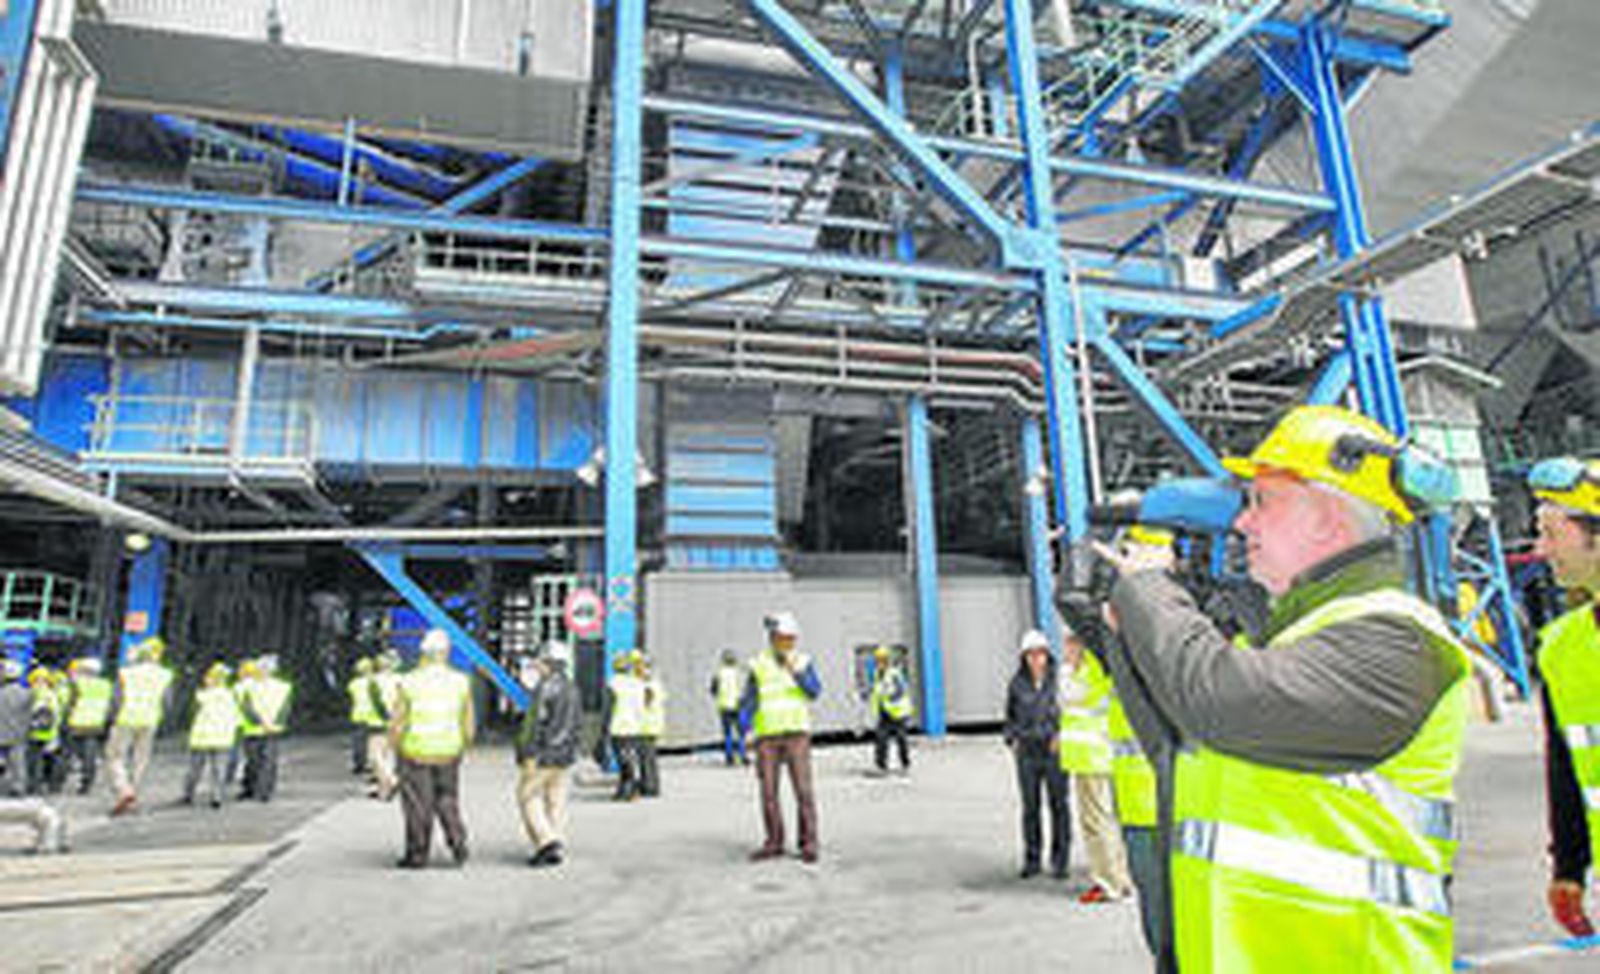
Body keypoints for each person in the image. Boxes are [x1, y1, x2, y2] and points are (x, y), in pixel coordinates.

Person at [1095, 405, 1472, 973]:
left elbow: (1212, 703)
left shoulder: (1400, 642)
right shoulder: (1284, 642)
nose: (1242, 523)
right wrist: (1115, 629)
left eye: (1261, 502)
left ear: (1326, 518)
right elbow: (1182, 751)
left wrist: (1150, 590)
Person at [1524, 456, 1600, 937]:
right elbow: (1568, 761)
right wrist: (1569, 868)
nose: (1540, 548)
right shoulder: (1561, 644)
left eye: (1553, 533)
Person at [1056, 625, 1131, 903]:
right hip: (1094, 753)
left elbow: (1068, 697)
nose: (1065, 649)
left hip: (1090, 755)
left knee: (1095, 822)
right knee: (1106, 820)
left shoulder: (1086, 670)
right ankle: (1120, 878)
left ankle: (1107, 883)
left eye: (1069, 642)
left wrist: (1066, 669)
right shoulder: (1094, 667)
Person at [741, 611, 822, 863]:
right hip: (767, 737)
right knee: (768, 792)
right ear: (772, 638)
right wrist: (745, 730)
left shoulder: (803, 661)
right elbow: (749, 700)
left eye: (789, 639)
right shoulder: (758, 664)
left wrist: (795, 671)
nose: (784, 644)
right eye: (780, 638)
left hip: (796, 734)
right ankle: (774, 842)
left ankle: (808, 843)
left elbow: (814, 691)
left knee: (804, 791)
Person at [390, 628, 473, 869]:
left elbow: (398, 721)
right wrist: (462, 746)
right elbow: (468, 722)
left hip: (415, 751)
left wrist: (393, 747)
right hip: (448, 752)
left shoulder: (408, 681)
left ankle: (417, 855)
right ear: (446, 653)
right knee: (447, 799)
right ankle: (457, 843)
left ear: (422, 653)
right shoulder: (461, 681)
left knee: (418, 804)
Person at [1004, 629, 1069, 880]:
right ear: (1024, 657)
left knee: (1058, 806)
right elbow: (1009, 716)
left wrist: (1061, 735)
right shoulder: (1017, 683)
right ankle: (1032, 859)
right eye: (1030, 655)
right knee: (1030, 807)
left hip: (1054, 752)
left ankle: (1060, 861)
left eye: (1040, 654)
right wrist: (1012, 739)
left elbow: (1070, 711)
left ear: (1046, 655)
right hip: (1027, 753)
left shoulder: (1060, 680)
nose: (1036, 659)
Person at [515, 639, 581, 868]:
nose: (537, 666)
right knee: (556, 799)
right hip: (565, 755)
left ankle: (546, 842)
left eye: (540, 661)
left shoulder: (544, 688)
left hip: (543, 754)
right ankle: (557, 842)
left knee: (527, 797)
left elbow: (534, 725)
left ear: (549, 663)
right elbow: (576, 725)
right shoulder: (572, 688)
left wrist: (527, 754)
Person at [107, 637, 174, 816]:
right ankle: (134, 793)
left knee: (116, 757)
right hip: (150, 720)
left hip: (126, 718)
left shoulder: (126, 673)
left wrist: (112, 717)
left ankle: (124, 790)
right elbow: (167, 702)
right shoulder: (165, 675)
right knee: (141, 759)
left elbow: (116, 699)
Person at [183, 663, 242, 808]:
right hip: (223, 737)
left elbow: (192, 714)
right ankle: (216, 796)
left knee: (195, 768)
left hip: (202, 737)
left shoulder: (201, 695)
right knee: (219, 768)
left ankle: (189, 793)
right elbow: (236, 717)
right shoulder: (232, 696)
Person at [238, 654, 292, 802]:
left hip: (271, 730)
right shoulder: (248, 685)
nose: (263, 671)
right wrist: (260, 722)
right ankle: (251, 787)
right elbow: (245, 706)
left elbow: (285, 708)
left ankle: (265, 792)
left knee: (269, 761)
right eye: (261, 668)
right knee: (253, 762)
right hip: (253, 729)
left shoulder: (282, 686)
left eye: (266, 668)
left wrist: (275, 723)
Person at [63, 657, 111, 795]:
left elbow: (70, 703)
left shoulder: (77, 684)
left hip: (77, 723)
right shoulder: (106, 684)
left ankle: (68, 778)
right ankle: (88, 780)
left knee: (75, 753)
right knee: (90, 755)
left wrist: (65, 720)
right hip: (97, 724)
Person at [602, 653, 645, 801]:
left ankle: (627, 789)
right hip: (634, 727)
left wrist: (603, 730)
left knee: (623, 761)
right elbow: (641, 706)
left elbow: (608, 709)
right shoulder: (637, 684)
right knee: (631, 760)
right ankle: (629, 789)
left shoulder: (613, 684)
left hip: (618, 727)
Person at [868, 645, 912, 774]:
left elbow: (901, 690)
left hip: (898, 713)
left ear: (887, 660)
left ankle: (905, 764)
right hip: (884, 712)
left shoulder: (894, 673)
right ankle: (881, 766)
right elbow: (877, 691)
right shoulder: (876, 674)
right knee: (881, 739)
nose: (879, 662)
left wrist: (889, 694)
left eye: (882, 660)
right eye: (878, 660)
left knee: (901, 739)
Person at [368, 651, 402, 801]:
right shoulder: (401, 679)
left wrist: (386, 717)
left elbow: (376, 702)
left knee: (375, 756)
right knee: (389, 756)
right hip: (398, 721)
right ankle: (384, 792)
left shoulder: (374, 680)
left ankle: (392, 780)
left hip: (379, 721)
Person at [25, 668, 63, 795]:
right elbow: (58, 714)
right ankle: (52, 785)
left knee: (33, 760)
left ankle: (34, 786)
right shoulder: (53, 694)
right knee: (49, 760)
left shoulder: (30, 694)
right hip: (50, 733)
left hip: (33, 733)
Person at [711, 650, 747, 766]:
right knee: (741, 733)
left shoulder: (718, 674)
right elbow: (743, 689)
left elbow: (713, 690)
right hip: (737, 705)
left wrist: (719, 698)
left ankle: (729, 756)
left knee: (728, 733)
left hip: (724, 705)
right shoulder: (738, 673)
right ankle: (742, 755)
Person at [0, 659, 30, 797]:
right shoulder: (26, 693)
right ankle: (18, 787)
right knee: (18, 763)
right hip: (18, 734)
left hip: (2, 732)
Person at [638, 654, 666, 798]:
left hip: (646, 726)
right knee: (649, 757)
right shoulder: (657, 683)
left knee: (647, 757)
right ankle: (651, 785)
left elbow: (645, 704)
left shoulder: (647, 686)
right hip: (653, 725)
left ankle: (649, 787)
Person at [347, 657, 378, 776]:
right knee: (373, 741)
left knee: (358, 741)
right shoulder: (374, 682)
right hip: (373, 714)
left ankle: (359, 763)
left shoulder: (353, 684)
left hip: (358, 714)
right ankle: (371, 763)